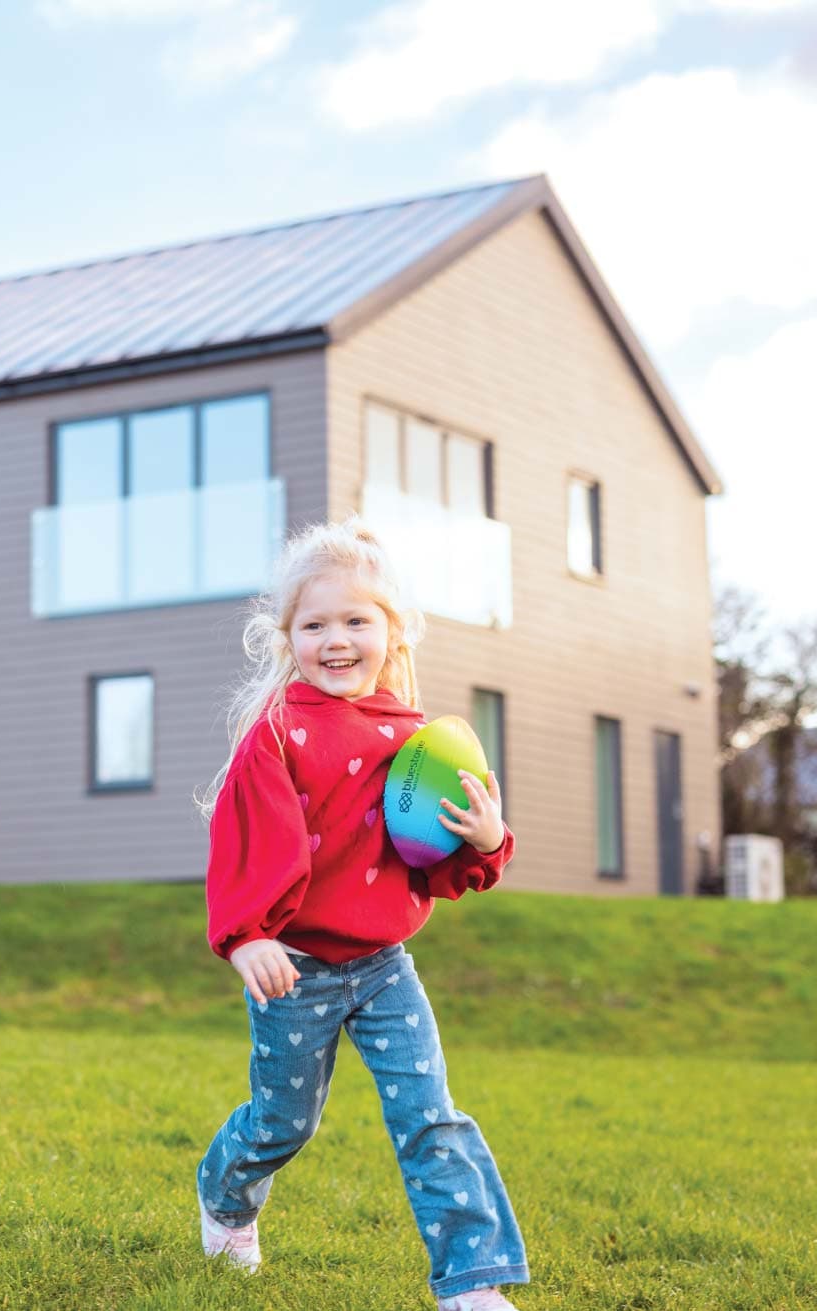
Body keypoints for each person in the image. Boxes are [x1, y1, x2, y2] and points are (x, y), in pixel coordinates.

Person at [192, 518, 532, 1311]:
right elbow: (240, 838)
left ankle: (471, 1285)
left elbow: (442, 858)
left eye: (356, 620)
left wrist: (488, 838)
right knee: (283, 1122)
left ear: (392, 632)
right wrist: (246, 939)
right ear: (288, 637)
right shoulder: (277, 732)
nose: (336, 640)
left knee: (431, 1119)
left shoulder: (414, 739)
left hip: (384, 968)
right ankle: (226, 1198)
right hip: (294, 968)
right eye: (315, 624)